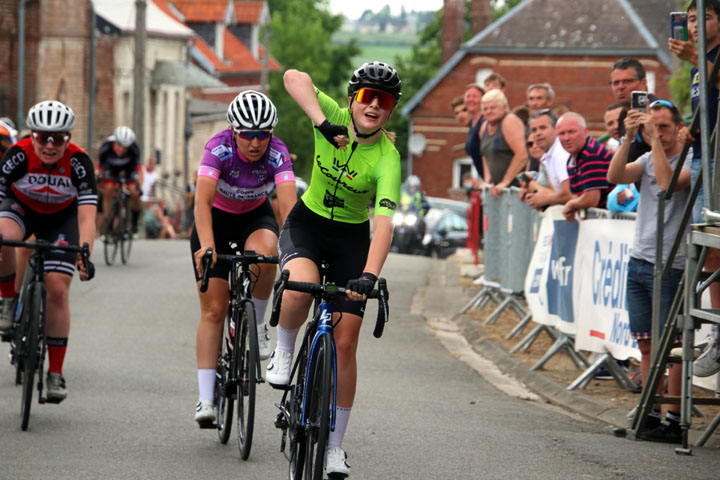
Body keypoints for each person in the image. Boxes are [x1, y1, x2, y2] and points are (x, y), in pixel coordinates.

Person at [275, 61, 402, 478]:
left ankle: (334, 447)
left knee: (346, 342)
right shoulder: (333, 115)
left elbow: (382, 222)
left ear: (391, 110)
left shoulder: (387, 157)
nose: (374, 106)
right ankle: (284, 349)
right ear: (352, 98)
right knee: (300, 287)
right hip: (307, 225)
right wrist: (321, 123)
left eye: (383, 101)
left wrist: (368, 275)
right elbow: (293, 77)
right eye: (367, 96)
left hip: (351, 239)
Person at [191, 90, 297, 426]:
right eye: (247, 134)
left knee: (268, 255)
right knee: (214, 309)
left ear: (271, 134)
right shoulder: (217, 148)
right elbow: (201, 204)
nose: (255, 142)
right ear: (234, 131)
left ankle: (259, 324)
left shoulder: (278, 153)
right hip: (216, 221)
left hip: (254, 216)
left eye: (262, 135)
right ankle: (205, 399)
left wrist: (294, 251)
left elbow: (290, 208)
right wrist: (207, 246)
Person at [606, 100, 692, 443]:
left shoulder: (691, 160)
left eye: (664, 126)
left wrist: (654, 141)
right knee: (646, 345)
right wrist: (628, 138)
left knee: (671, 347)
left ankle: (673, 419)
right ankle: (650, 412)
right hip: (640, 259)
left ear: (678, 126)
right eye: (652, 125)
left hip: (671, 263)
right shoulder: (644, 157)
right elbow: (614, 177)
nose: (658, 132)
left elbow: (668, 185)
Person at [0, 100, 96, 402]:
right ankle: (7, 300)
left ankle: (55, 373)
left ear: (68, 139)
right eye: (43, 137)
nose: (50, 145)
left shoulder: (80, 163)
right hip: (22, 210)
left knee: (56, 289)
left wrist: (85, 253)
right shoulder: (18, 155)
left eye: (58, 139)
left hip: (61, 219)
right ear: (32, 135)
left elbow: (87, 216)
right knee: (3, 238)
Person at [669, 0, 720, 377]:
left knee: (717, 241)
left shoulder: (709, 58)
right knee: (709, 249)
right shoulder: (698, 62)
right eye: (689, 18)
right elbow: (709, 105)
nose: (695, 23)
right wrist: (692, 127)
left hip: (719, 159)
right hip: (704, 153)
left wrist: (697, 59)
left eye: (704, 15)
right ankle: (717, 328)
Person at [557, 112, 614, 222]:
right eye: (561, 133)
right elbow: (576, 195)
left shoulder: (591, 153)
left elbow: (591, 199)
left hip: (614, 223)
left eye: (571, 132)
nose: (566, 138)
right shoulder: (571, 160)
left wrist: (570, 205)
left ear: (585, 132)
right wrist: (574, 203)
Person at [478, 89, 529, 198]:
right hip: (497, 190)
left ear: (504, 107)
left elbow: (522, 155)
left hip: (516, 190)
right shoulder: (484, 127)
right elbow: (485, 155)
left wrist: (505, 182)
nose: (488, 111)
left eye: (493, 108)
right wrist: (488, 180)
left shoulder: (509, 121)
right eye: (485, 109)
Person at [520, 109, 572, 210]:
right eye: (534, 130)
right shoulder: (549, 155)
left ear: (556, 129)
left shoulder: (560, 153)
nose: (538, 133)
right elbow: (557, 192)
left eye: (543, 128)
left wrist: (543, 197)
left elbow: (570, 194)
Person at [97, 126, 143, 234]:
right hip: (111, 168)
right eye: (119, 146)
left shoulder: (134, 149)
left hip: (128, 168)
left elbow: (140, 171)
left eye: (125, 147)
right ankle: (108, 220)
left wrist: (139, 187)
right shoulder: (106, 147)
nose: (122, 150)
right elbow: (99, 167)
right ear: (115, 142)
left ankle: (134, 222)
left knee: (134, 191)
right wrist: (99, 181)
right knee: (108, 189)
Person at [464, 83, 485, 178]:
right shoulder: (472, 122)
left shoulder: (484, 121)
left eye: (475, 96)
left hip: (492, 178)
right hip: (482, 176)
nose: (471, 99)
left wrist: (487, 180)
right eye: (468, 96)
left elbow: (487, 153)